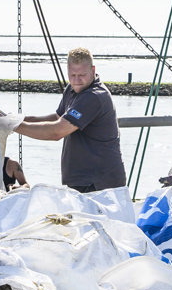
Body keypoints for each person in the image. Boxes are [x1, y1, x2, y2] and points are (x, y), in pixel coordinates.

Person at [16, 48, 127, 192]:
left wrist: (14, 126)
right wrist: (20, 119)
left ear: (93, 70)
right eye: (72, 75)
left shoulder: (94, 96)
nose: (77, 80)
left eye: (82, 75)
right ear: (67, 70)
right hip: (81, 181)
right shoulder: (72, 88)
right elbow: (57, 118)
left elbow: (56, 132)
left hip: (99, 183)